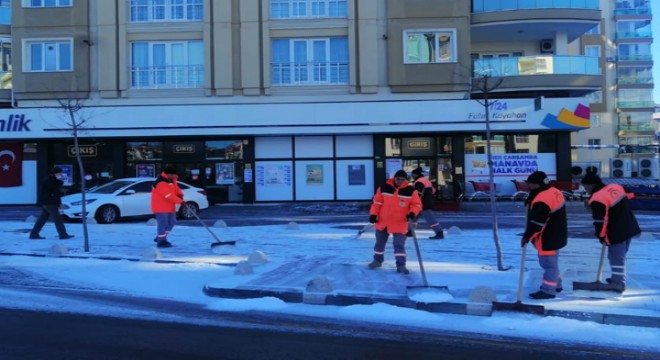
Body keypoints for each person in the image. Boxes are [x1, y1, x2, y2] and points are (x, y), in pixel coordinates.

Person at [581, 170, 640, 293]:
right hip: (629, 226)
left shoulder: (597, 198)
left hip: (616, 231)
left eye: (585, 185)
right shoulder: (615, 187)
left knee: (616, 257)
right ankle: (617, 278)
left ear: (591, 184)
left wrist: (601, 237)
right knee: (620, 256)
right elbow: (630, 195)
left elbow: (600, 222)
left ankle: (618, 283)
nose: (584, 188)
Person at [521, 171, 567, 300]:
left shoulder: (542, 199)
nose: (528, 186)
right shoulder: (554, 191)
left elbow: (537, 223)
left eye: (529, 184)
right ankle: (556, 284)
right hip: (557, 233)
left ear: (536, 184)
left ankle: (548, 290)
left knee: (548, 264)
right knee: (553, 262)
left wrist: (527, 236)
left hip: (547, 237)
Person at [367, 169, 422, 275]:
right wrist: (373, 214)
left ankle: (401, 265)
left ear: (405, 180)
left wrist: (412, 213)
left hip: (400, 222)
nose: (400, 181)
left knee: (399, 245)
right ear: (394, 178)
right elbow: (377, 202)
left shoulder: (411, 190)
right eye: (398, 178)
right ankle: (377, 260)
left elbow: (417, 205)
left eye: (402, 179)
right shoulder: (384, 188)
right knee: (379, 243)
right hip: (383, 221)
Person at [29, 166, 74, 240]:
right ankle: (63, 234)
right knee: (58, 219)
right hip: (50, 203)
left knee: (42, 219)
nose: (61, 175)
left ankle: (34, 234)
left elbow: (55, 192)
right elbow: (54, 190)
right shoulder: (49, 180)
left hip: (48, 202)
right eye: (60, 173)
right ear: (55, 173)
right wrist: (60, 181)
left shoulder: (51, 180)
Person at [151, 166, 184, 248]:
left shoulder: (171, 180)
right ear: (168, 174)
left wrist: (180, 194)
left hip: (170, 206)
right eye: (173, 175)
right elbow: (168, 195)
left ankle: (160, 237)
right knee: (163, 224)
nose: (175, 176)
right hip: (161, 207)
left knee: (172, 222)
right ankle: (161, 241)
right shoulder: (161, 182)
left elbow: (176, 188)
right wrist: (180, 201)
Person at [410, 167, 444, 239]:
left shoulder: (419, 182)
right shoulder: (426, 180)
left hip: (422, 204)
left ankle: (439, 232)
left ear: (416, 174)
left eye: (412, 174)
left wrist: (413, 203)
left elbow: (418, 194)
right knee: (413, 218)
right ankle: (410, 231)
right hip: (426, 203)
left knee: (431, 219)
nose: (412, 176)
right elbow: (433, 191)